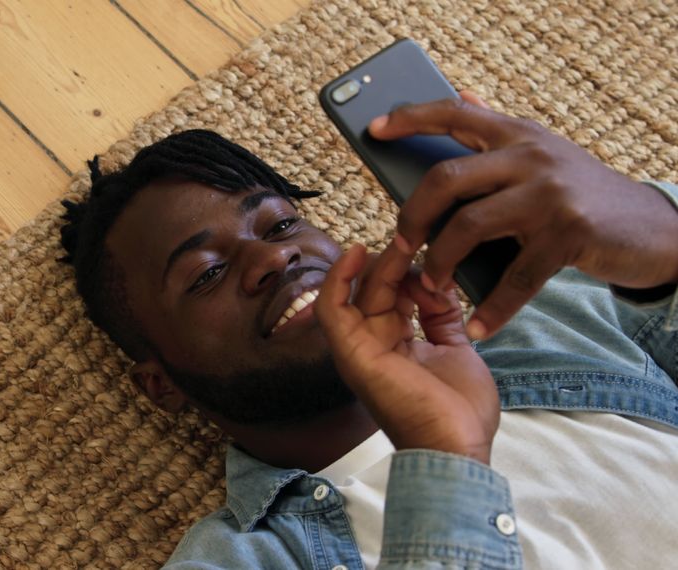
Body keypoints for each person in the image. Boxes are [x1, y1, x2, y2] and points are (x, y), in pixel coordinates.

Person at [59, 93, 678, 569]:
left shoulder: (566, 312)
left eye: (277, 225)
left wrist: (659, 232)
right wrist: (447, 466)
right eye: (206, 274)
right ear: (160, 385)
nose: (274, 259)